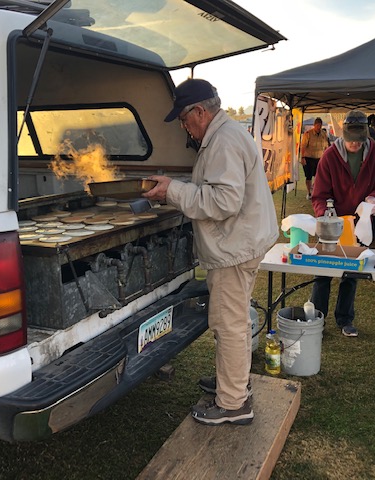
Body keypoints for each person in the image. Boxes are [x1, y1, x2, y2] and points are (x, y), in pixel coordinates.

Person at [143, 78, 278, 426]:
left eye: (185, 120)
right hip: (243, 240)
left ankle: (233, 404)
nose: (185, 128)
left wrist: (173, 191)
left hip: (235, 246)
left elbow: (223, 201)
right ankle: (233, 382)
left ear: (200, 111)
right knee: (233, 318)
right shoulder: (226, 133)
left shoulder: (222, 141)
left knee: (228, 323)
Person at [309, 110, 375, 337]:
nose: (354, 144)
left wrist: (373, 202)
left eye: (358, 140)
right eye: (350, 140)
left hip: (359, 223)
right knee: (323, 272)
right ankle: (318, 317)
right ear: (342, 135)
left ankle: (345, 318)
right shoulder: (329, 156)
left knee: (352, 273)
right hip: (332, 224)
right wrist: (325, 215)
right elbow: (319, 195)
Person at [300, 117, 329, 199]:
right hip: (309, 158)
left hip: (319, 159)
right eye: (317, 125)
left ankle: (316, 191)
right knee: (308, 176)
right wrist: (302, 157)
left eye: (320, 125)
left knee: (318, 177)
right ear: (314, 125)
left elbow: (326, 146)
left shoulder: (323, 134)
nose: (319, 127)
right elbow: (303, 146)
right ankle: (309, 192)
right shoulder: (308, 134)